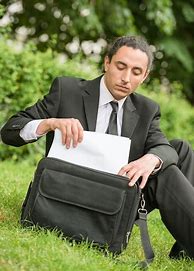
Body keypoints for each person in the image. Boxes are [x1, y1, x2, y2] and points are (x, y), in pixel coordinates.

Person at [1, 35, 194, 259]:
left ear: (145, 76)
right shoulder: (67, 89)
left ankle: (185, 246)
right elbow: (9, 131)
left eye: (136, 72)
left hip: (118, 202)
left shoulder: (146, 109)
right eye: (121, 66)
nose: (126, 78)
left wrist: (151, 160)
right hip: (71, 198)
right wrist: (49, 123)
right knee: (166, 173)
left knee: (179, 150)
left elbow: (164, 147)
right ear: (107, 62)